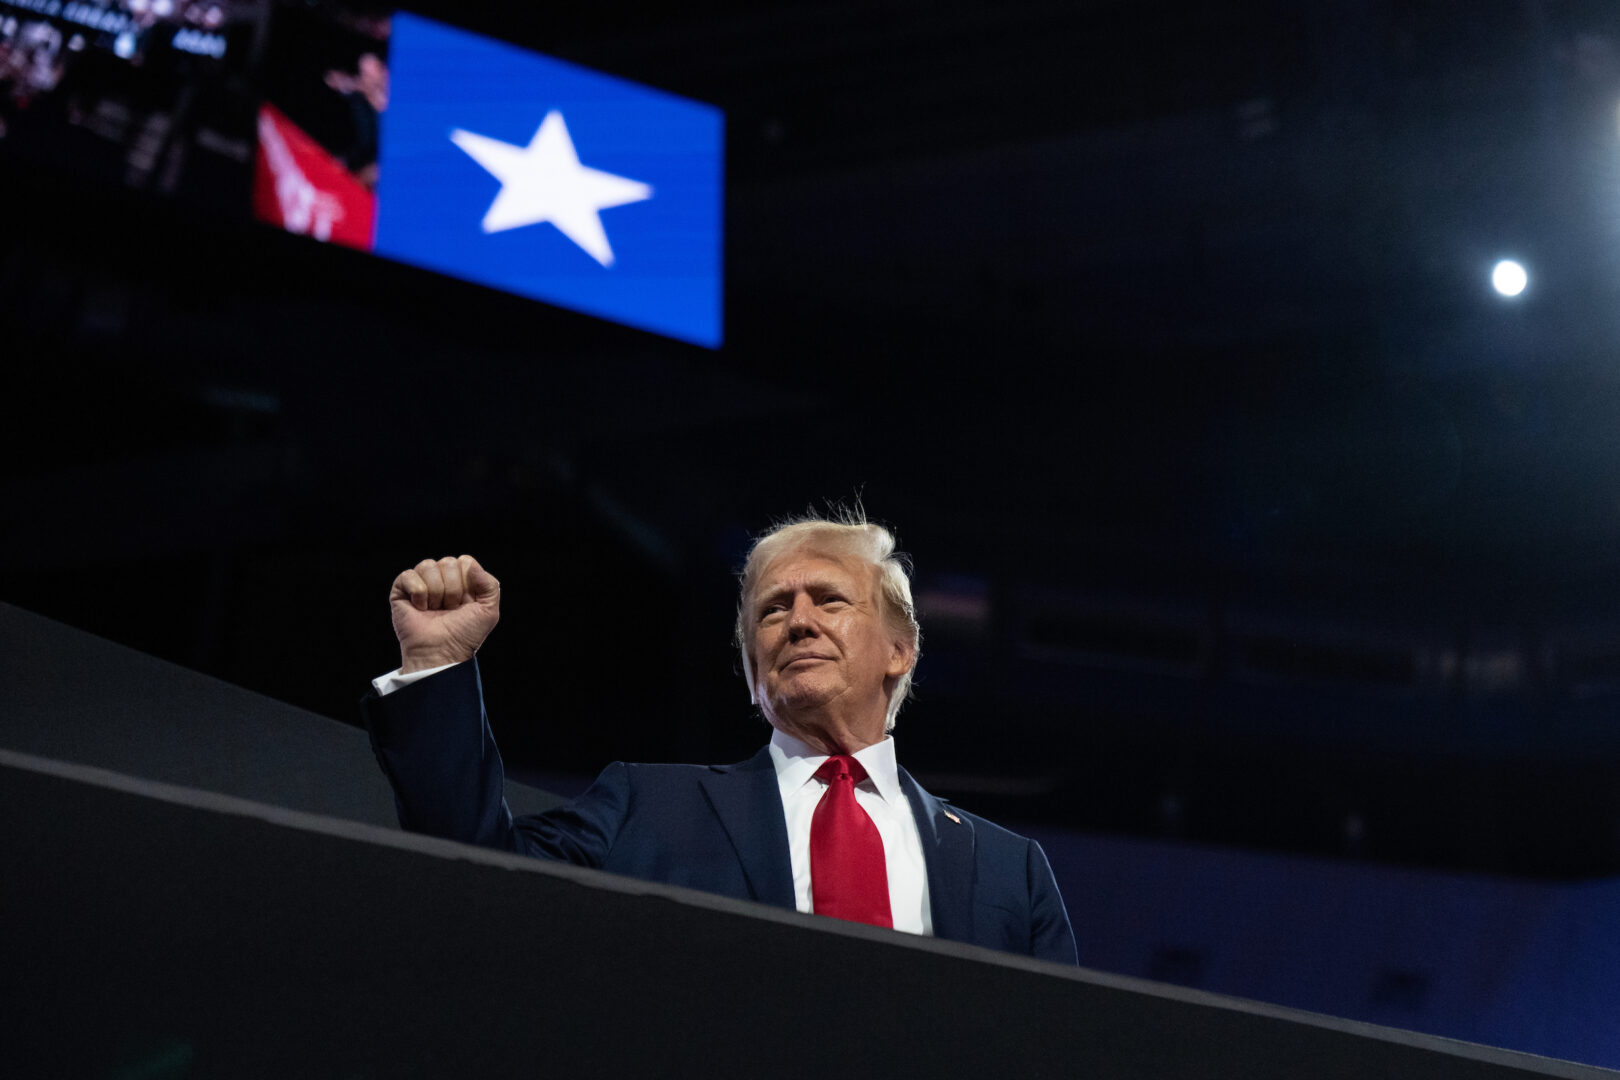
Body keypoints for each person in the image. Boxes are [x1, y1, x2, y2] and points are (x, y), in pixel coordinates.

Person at [363, 510, 1077, 963]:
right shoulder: (648, 805)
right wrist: (436, 666)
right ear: (751, 669)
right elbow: (475, 873)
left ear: (901, 649)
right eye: (772, 611)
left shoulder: (1009, 871)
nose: (798, 622)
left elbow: (1068, 1051)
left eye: (828, 599)